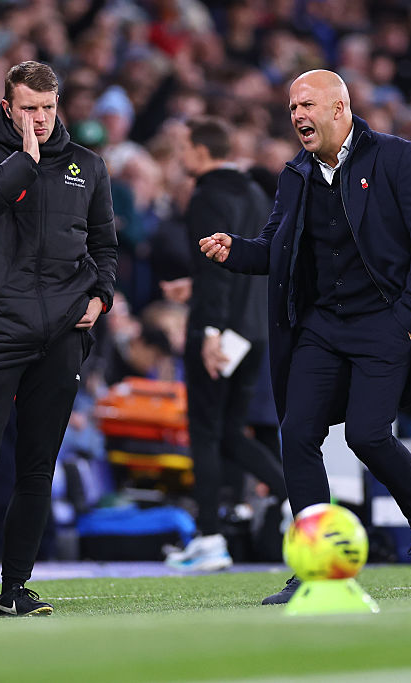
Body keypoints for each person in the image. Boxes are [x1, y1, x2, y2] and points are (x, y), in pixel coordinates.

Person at [199, 70, 411, 602]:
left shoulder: (395, 156)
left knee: (367, 435)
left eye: (307, 105)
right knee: (296, 434)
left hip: (385, 322)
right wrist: (237, 251)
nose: (297, 115)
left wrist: (409, 318)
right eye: (292, 106)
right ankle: (314, 564)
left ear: (340, 107)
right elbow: (275, 247)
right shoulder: (295, 174)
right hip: (322, 327)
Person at [0, 61, 116, 620]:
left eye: (48, 109)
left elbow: (106, 244)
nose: (39, 119)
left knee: (39, 466)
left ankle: (16, 590)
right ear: (7, 107)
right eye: (28, 109)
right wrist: (24, 164)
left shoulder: (88, 166)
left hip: (61, 333)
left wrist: (101, 299)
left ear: (59, 106)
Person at [165, 116, 286, 571]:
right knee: (231, 433)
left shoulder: (209, 194)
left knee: (206, 433)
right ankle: (295, 496)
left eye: (183, 148)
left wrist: (210, 330)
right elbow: (243, 260)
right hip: (254, 331)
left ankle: (211, 539)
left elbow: (218, 264)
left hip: (221, 331)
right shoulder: (254, 193)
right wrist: (193, 286)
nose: (179, 157)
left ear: (200, 151)